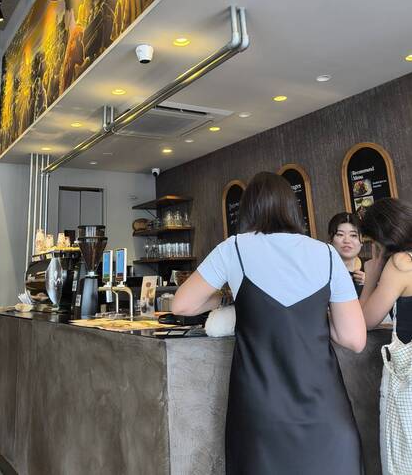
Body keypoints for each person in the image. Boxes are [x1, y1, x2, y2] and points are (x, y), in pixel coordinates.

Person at [173, 171, 365, 475]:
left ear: (248, 210)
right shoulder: (327, 253)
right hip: (325, 413)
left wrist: (229, 298)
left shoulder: (234, 248)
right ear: (292, 208)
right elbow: (354, 339)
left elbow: (182, 304)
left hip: (260, 417)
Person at [359, 198, 412, 475]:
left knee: (402, 459)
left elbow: (364, 322)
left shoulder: (401, 263)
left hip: (408, 383)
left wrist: (370, 277)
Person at [329, 212, 365, 297]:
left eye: (353, 235)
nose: (347, 241)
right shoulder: (323, 271)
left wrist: (369, 285)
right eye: (340, 234)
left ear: (362, 240)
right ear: (330, 240)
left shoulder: (373, 268)